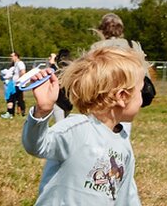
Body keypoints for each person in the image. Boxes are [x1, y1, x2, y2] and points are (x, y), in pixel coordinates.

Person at [22, 45, 146, 205]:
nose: (143, 99)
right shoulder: (77, 129)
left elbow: (126, 197)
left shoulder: (123, 144)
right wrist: (42, 111)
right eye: (140, 91)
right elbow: (37, 145)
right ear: (122, 96)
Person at [2, 52, 26, 119]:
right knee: (14, 99)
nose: (11, 58)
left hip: (18, 85)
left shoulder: (20, 63)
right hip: (14, 84)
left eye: (12, 56)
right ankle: (12, 113)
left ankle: (16, 113)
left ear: (16, 56)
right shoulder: (15, 64)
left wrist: (19, 80)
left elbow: (23, 72)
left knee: (16, 99)